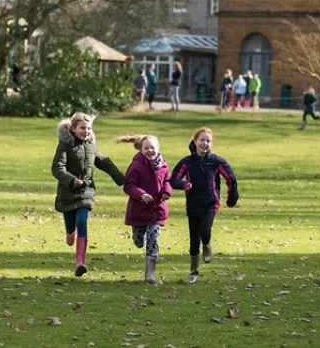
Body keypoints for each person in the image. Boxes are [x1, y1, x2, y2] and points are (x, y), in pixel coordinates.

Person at [51, 112, 125, 277]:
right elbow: (57, 168)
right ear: (73, 128)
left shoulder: (91, 144)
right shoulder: (65, 145)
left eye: (89, 128)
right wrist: (70, 180)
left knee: (82, 222)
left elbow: (103, 161)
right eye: (82, 128)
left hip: (86, 191)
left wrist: (121, 178)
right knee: (71, 227)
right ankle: (70, 234)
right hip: (68, 192)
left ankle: (80, 262)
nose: (86, 131)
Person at [170, 127, 239, 284]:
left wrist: (231, 199)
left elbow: (231, 179)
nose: (205, 143)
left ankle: (207, 244)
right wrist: (184, 184)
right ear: (195, 142)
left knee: (204, 231)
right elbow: (173, 179)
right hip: (193, 204)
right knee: (194, 239)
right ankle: (193, 272)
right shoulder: (187, 162)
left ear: (211, 143)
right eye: (202, 140)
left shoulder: (217, 161)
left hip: (210, 202)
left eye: (208, 141)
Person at [116, 134, 172, 285]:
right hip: (139, 211)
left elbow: (166, 180)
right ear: (141, 150)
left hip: (156, 210)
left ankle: (150, 275)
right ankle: (139, 239)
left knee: (153, 239)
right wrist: (141, 194)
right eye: (146, 148)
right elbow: (128, 186)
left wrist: (166, 192)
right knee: (139, 241)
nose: (150, 150)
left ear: (158, 148)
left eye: (152, 147)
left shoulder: (163, 166)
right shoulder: (136, 166)